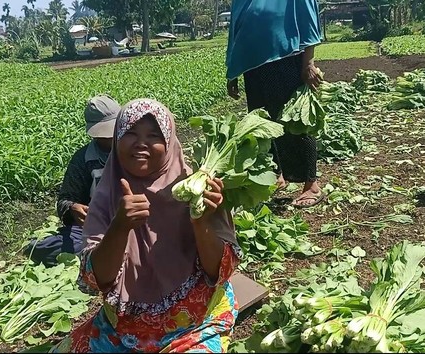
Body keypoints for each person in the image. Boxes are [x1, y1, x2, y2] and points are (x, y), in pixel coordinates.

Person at [51, 99, 241, 353]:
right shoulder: (107, 196)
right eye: (130, 133)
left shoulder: (197, 188)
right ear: (116, 139)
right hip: (124, 329)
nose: (141, 143)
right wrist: (120, 226)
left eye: (154, 135)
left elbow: (218, 272)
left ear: (170, 142)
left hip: (195, 323)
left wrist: (201, 220)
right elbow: (98, 280)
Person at [225, 0, 325, 208]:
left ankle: (311, 185)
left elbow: (308, 16)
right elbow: (236, 29)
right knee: (263, 124)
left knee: (293, 122)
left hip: (285, 58)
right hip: (252, 66)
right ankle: (277, 175)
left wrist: (308, 62)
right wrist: (232, 71)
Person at [23, 95, 122, 266]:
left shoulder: (136, 150)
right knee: (41, 248)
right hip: (95, 228)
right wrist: (72, 208)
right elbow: (64, 200)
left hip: (134, 222)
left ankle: (103, 257)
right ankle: (99, 256)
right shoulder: (83, 159)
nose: (110, 138)